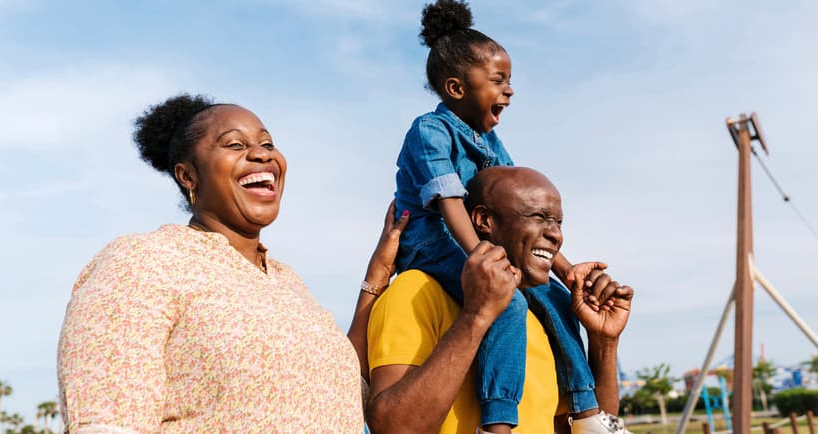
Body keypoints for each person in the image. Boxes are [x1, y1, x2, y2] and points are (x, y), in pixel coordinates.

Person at [57, 94, 409, 432]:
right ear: (188, 176)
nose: (261, 155)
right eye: (235, 145)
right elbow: (108, 420)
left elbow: (346, 392)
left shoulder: (290, 283)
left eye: (268, 144)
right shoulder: (143, 262)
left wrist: (377, 274)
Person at [393, 1, 606, 432]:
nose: (509, 90)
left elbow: (522, 216)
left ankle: (586, 413)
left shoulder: (492, 143)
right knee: (505, 300)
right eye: (498, 80)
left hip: (480, 245)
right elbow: (448, 200)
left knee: (558, 300)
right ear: (456, 88)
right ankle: (497, 424)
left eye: (510, 81)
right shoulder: (429, 130)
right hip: (430, 241)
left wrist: (567, 271)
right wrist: (485, 262)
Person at [368, 166, 634, 434]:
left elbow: (581, 429)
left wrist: (604, 342)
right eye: (538, 217)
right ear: (484, 220)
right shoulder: (418, 290)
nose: (556, 235)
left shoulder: (548, 314)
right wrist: (476, 315)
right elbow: (394, 428)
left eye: (558, 222)